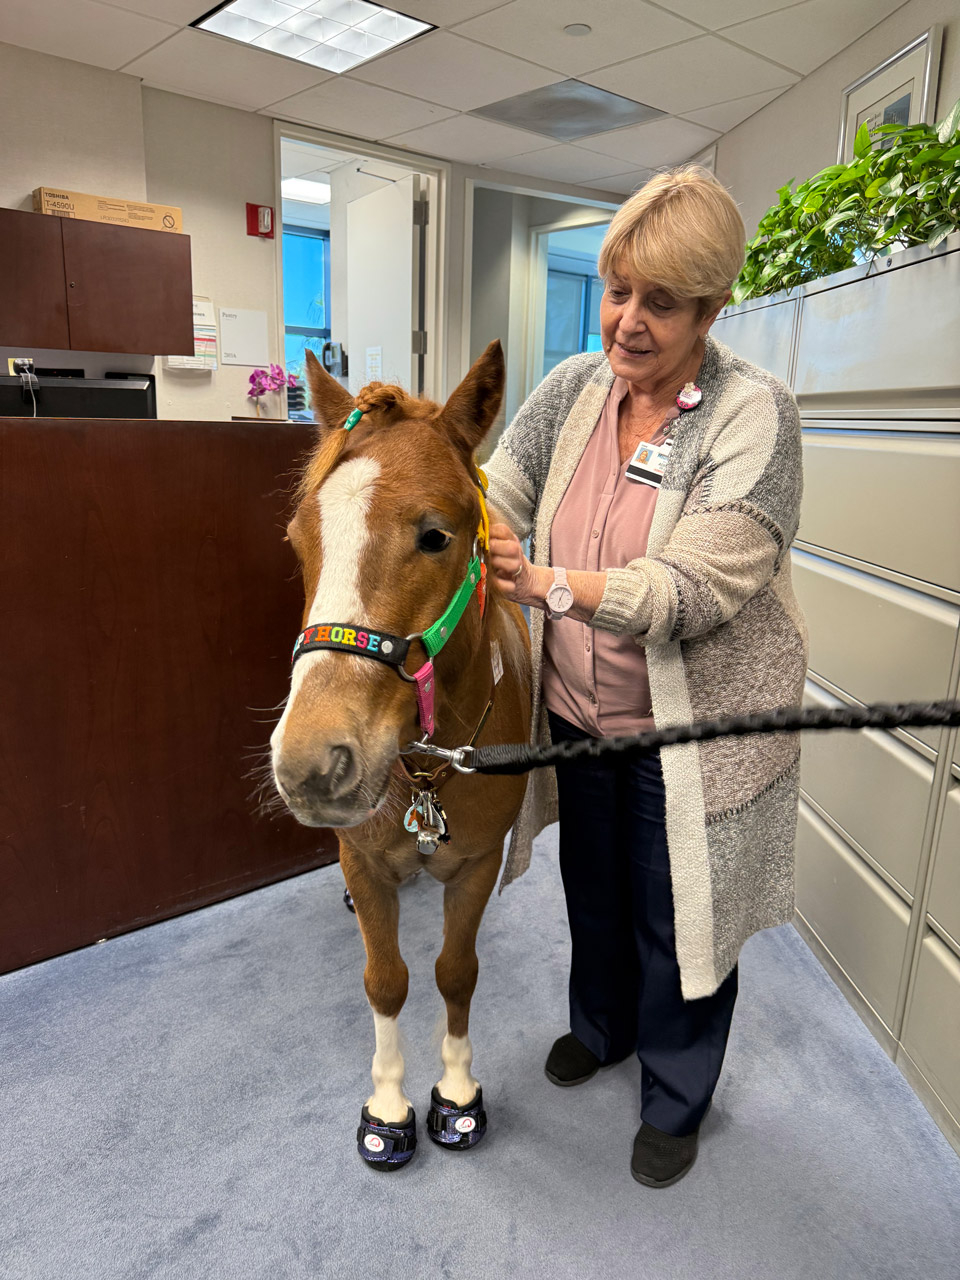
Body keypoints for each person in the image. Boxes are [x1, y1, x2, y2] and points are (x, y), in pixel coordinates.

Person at [483, 166, 807, 1189]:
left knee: (681, 916)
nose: (628, 320)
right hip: (580, 712)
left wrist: (545, 583)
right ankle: (603, 1026)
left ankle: (675, 1091)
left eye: (661, 302)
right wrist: (478, 520)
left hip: (690, 735)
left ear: (712, 309)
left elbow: (694, 587)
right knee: (594, 888)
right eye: (619, 289)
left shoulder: (754, 415)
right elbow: (500, 484)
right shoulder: (576, 386)